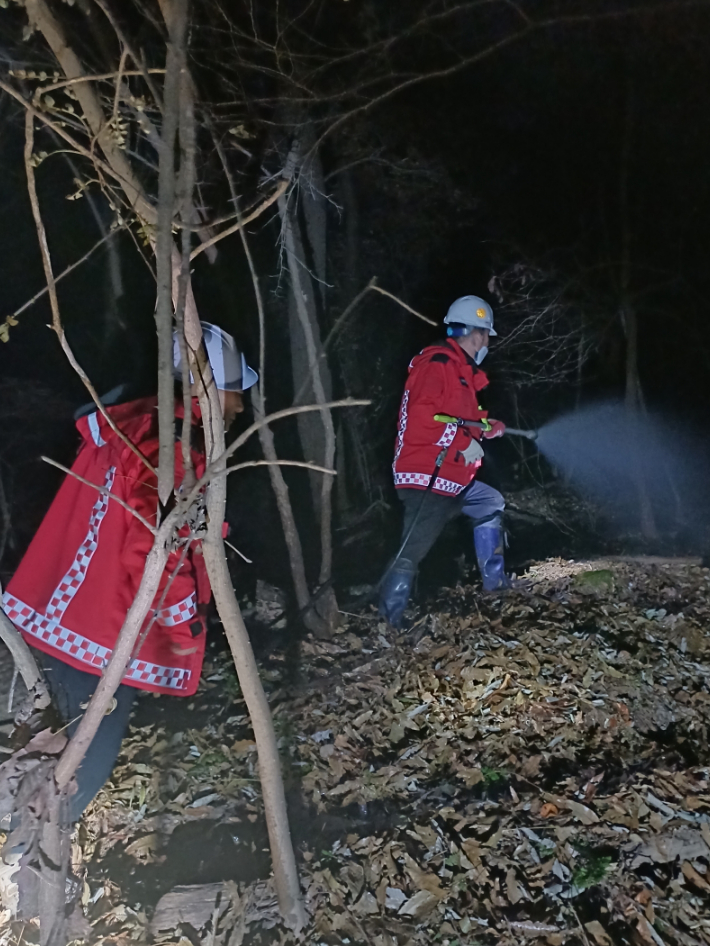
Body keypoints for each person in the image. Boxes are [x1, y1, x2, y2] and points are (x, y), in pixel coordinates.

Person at [1, 322, 257, 827]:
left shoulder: (140, 425)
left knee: (69, 741)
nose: (241, 407)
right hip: (105, 628)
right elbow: (152, 542)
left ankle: (35, 851)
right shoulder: (172, 445)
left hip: (76, 617)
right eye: (235, 393)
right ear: (207, 388)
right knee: (87, 759)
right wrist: (181, 624)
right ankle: (30, 859)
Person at [378, 295, 512, 628]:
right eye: (485, 335)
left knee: (490, 502)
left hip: (451, 477)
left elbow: (457, 417)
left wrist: (485, 426)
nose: (486, 343)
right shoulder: (438, 364)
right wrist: (465, 441)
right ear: (477, 334)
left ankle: (496, 588)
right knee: (412, 551)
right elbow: (426, 418)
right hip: (427, 476)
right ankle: (387, 625)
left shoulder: (459, 372)